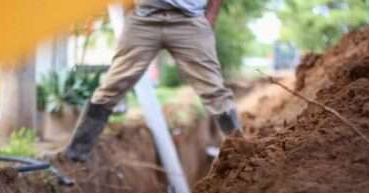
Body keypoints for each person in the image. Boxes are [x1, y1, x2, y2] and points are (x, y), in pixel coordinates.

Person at [64, 0, 240, 162]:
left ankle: (241, 152)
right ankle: (75, 154)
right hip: (143, 20)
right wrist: (130, 12)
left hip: (189, 21)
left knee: (214, 91)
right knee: (110, 87)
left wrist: (210, 17)